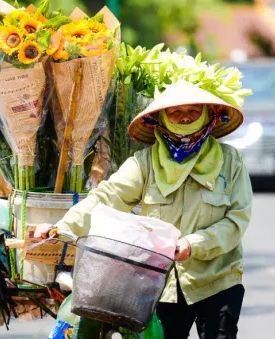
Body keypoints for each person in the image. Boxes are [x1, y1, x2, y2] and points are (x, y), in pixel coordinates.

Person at [36, 81, 253, 338]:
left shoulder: (230, 161)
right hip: (162, 286)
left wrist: (194, 244)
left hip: (218, 280)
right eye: (175, 112)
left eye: (194, 111)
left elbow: (236, 220)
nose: (185, 117)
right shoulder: (144, 163)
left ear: (207, 115)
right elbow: (106, 197)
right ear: (162, 118)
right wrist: (63, 226)